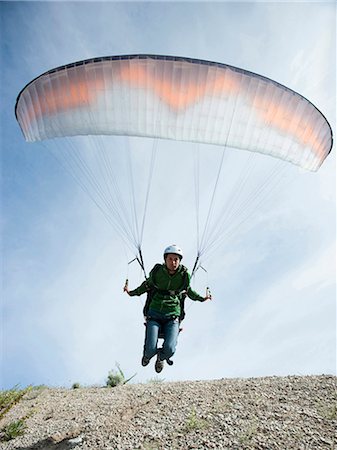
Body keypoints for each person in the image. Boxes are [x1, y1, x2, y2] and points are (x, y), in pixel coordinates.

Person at [124, 244, 212, 373]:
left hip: (172, 315)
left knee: (170, 349)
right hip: (154, 314)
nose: (173, 262)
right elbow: (145, 286)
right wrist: (131, 292)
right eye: (170, 259)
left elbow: (188, 291)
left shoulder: (183, 275)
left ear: (180, 261)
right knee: (150, 349)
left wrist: (202, 298)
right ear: (165, 260)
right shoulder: (157, 272)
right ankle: (148, 356)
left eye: (176, 259)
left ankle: (161, 357)